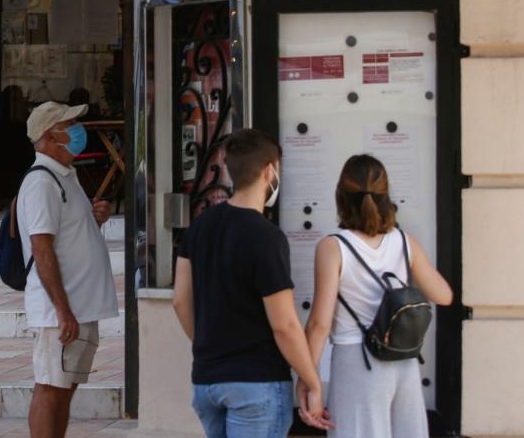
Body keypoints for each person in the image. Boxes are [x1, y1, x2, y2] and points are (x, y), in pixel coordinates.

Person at [171, 128, 331, 437]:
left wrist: (211, 347)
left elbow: (180, 301)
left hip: (207, 381)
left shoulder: (199, 226)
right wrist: (311, 381)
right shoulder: (266, 237)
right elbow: (284, 325)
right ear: (270, 171)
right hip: (257, 384)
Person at [302, 155, 453, 438]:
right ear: (385, 196)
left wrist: (309, 382)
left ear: (341, 196)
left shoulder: (333, 246)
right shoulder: (404, 241)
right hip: (402, 363)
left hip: (357, 363)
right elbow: (443, 295)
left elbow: (319, 325)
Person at [16, 101, 118, 438]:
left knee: (65, 388)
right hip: (62, 309)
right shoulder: (42, 182)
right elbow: (41, 248)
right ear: (48, 136)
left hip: (79, 305)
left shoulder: (64, 176)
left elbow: (66, 238)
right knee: (51, 387)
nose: (78, 131)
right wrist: (62, 310)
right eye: (69, 125)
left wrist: (93, 219)